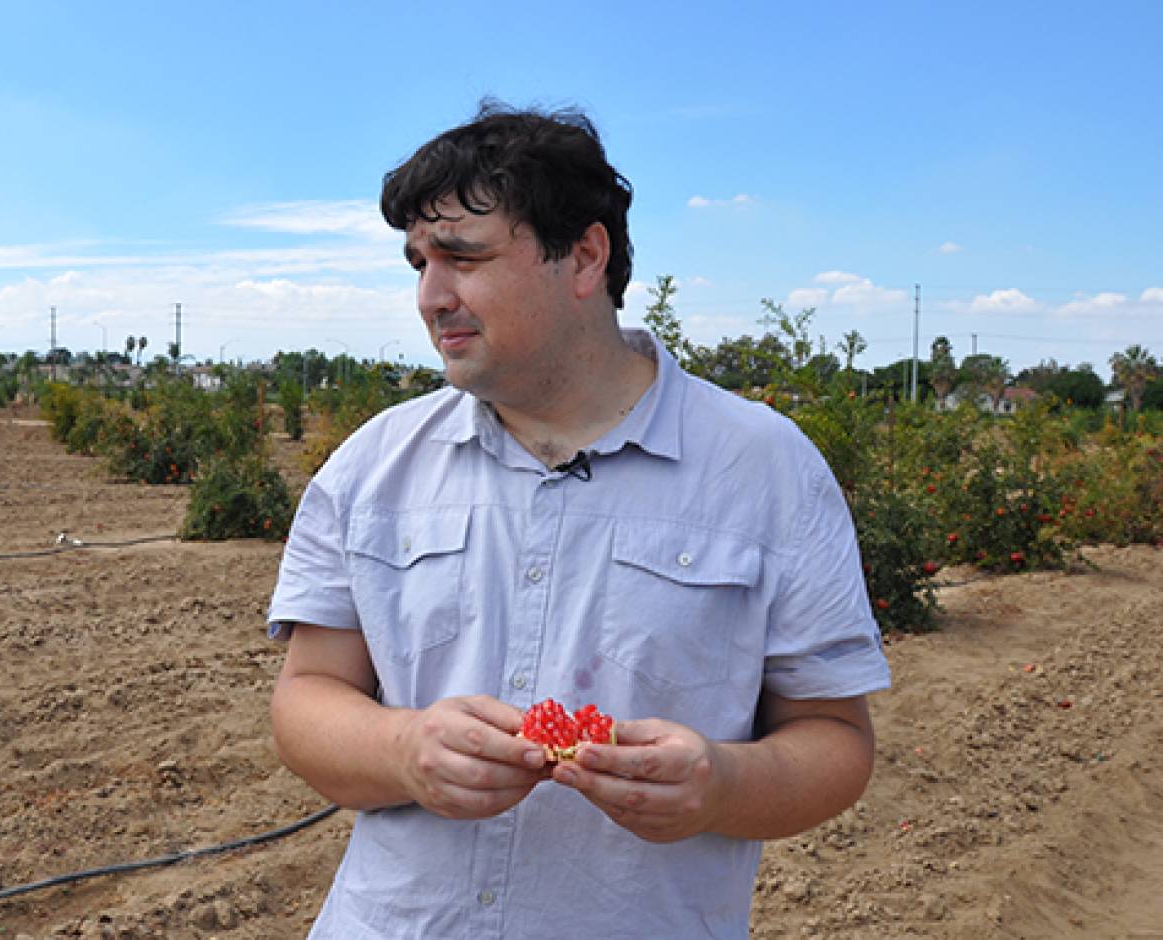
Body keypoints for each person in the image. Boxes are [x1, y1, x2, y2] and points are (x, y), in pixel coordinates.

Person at [266, 101, 891, 938]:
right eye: (417, 262)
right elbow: (307, 696)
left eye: (461, 256)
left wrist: (721, 784)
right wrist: (403, 751)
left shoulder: (764, 470)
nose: (430, 296)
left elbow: (836, 739)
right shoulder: (373, 467)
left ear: (585, 257)